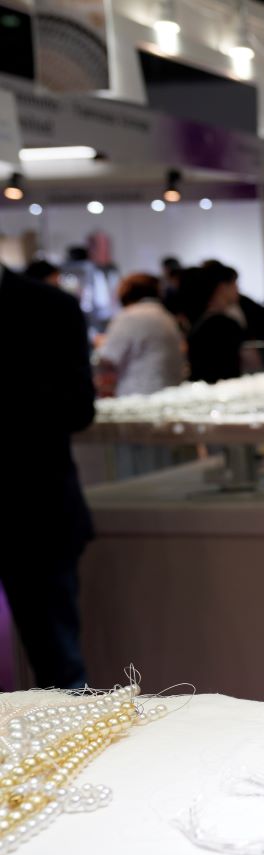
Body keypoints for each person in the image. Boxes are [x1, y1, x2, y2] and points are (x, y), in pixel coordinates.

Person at [0, 266, 95, 689]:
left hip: (35, 508)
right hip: (39, 505)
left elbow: (78, 409)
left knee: (60, 671)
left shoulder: (50, 306)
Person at [95, 273, 184, 397]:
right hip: (169, 392)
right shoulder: (165, 315)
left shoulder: (129, 316)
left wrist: (100, 344)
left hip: (138, 395)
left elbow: (108, 357)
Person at [184, 263, 246, 384]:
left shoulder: (203, 321)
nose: (237, 289)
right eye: (234, 284)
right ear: (222, 287)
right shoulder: (224, 324)